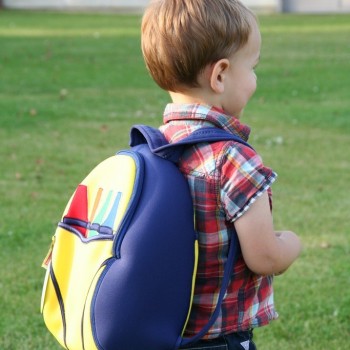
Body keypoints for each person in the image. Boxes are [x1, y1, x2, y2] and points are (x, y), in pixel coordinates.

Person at [141, 1, 302, 349]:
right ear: (220, 75)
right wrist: (291, 242)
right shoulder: (234, 159)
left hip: (159, 331)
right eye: (253, 67)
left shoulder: (154, 148)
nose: (255, 78)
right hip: (217, 338)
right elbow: (265, 257)